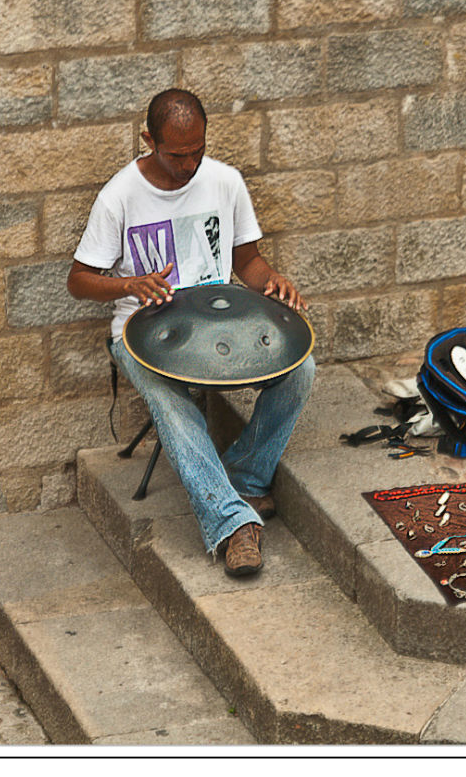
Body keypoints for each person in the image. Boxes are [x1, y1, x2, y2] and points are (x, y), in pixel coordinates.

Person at [67, 88, 315, 577]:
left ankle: (244, 478)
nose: (189, 165)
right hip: (141, 332)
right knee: (171, 403)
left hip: (219, 321)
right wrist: (127, 284)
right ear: (148, 140)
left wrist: (274, 282)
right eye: (177, 154)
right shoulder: (119, 195)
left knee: (300, 370)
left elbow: (248, 262)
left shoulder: (225, 181)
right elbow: (78, 281)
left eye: (198, 151)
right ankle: (230, 525)